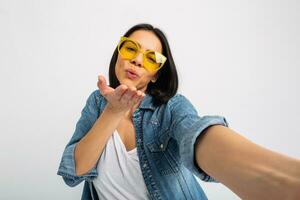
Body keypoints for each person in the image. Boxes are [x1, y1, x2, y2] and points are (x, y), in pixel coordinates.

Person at [57, 23, 300, 200]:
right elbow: (74, 172)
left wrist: (262, 177)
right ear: (119, 53)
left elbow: (194, 134)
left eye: (151, 59)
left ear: (156, 75)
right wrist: (113, 111)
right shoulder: (97, 103)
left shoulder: (171, 108)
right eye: (131, 48)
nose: (138, 60)